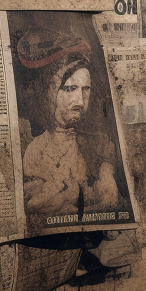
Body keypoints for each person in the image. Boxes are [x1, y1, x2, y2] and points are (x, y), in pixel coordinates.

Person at [18, 32, 121, 219]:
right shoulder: (35, 150)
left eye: (85, 89)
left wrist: (70, 211)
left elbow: (109, 201)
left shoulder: (99, 144)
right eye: (70, 89)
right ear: (50, 93)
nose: (80, 101)